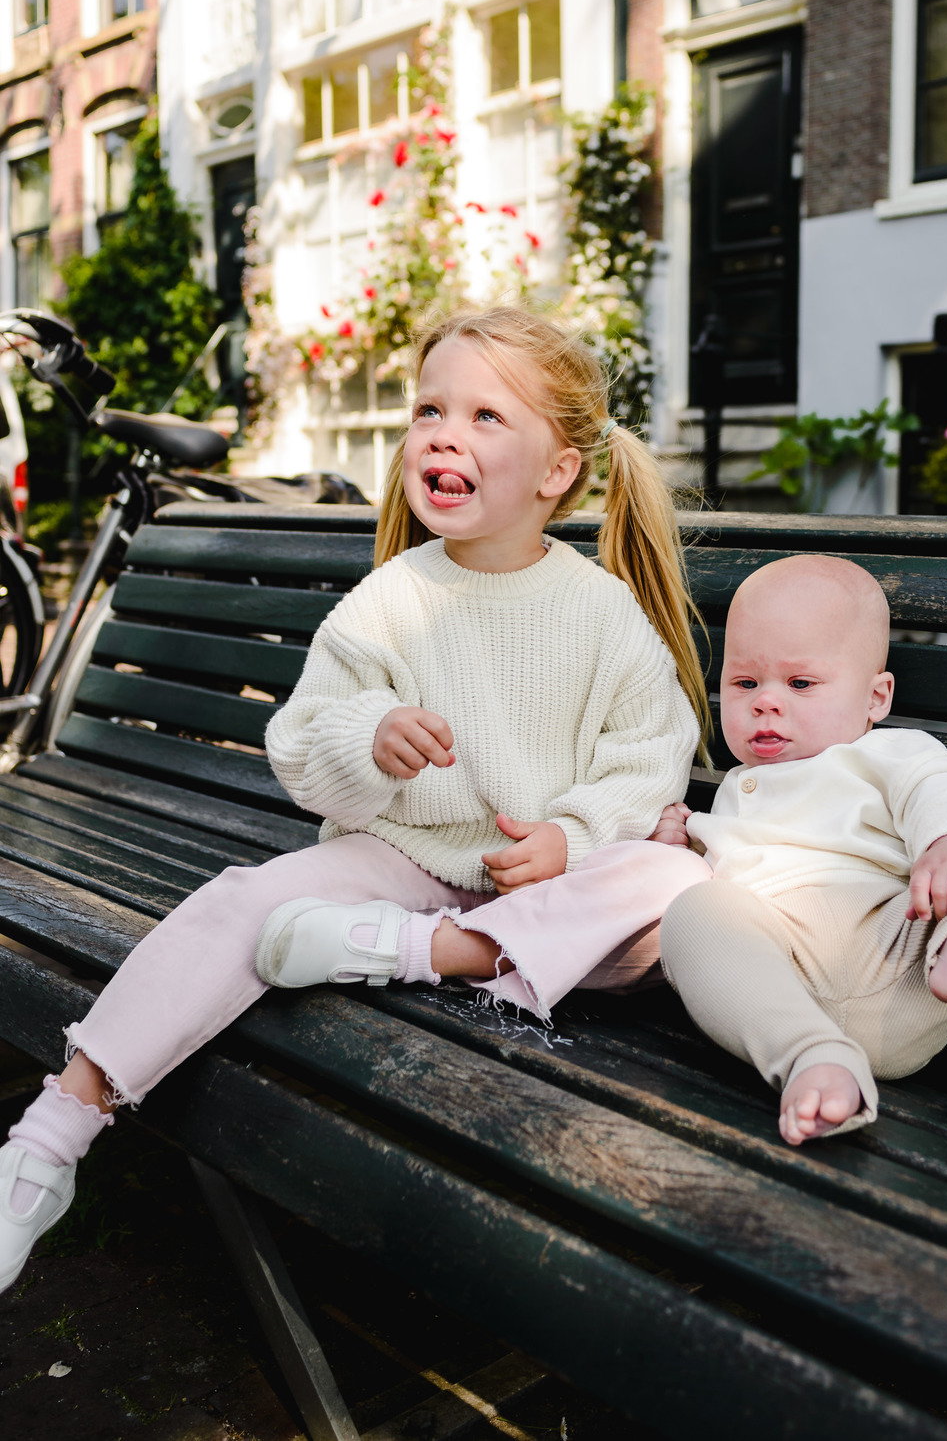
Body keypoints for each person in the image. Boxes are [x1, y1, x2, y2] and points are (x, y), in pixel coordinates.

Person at [0, 306, 712, 1292]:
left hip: (546, 895)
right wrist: (369, 741)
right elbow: (299, 747)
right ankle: (51, 1136)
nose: (441, 432)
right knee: (247, 901)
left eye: (484, 415)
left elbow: (652, 749)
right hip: (401, 864)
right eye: (428, 408)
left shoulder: (598, 609)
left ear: (557, 472)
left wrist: (572, 834)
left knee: (677, 883)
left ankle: (427, 957)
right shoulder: (394, 597)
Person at [656, 554, 947, 1147]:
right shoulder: (735, 790)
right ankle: (813, 1059)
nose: (766, 703)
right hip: (781, 972)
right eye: (745, 683)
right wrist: (678, 841)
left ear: (875, 699)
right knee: (695, 913)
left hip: (903, 955)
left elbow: (945, 788)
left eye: (800, 683)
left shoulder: (887, 755)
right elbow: (723, 876)